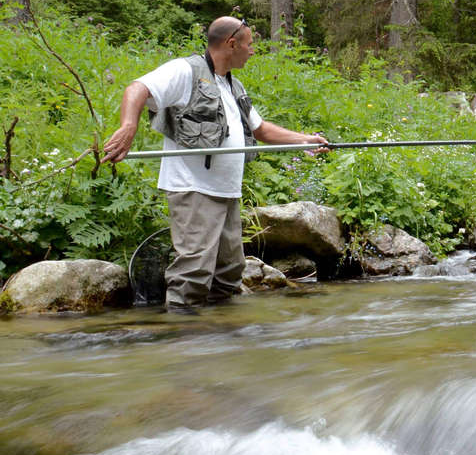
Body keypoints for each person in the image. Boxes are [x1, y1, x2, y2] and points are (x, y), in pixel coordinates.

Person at [102, 16, 328, 314]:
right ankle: (185, 335)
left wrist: (305, 140)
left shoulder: (233, 86)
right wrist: (129, 126)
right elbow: (137, 89)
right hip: (194, 190)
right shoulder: (185, 70)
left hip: (226, 192)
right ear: (230, 44)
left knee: (229, 270)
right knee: (193, 271)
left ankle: (219, 331)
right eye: (249, 44)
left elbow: (260, 130)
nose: (252, 51)